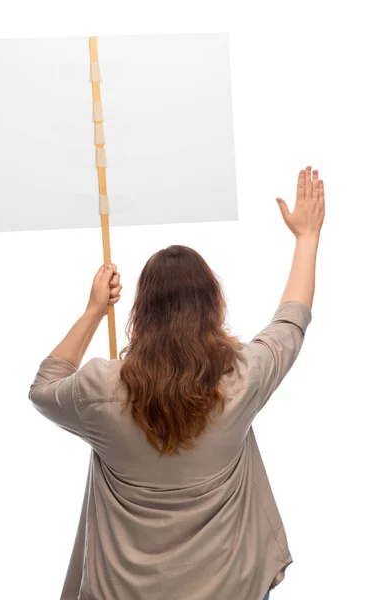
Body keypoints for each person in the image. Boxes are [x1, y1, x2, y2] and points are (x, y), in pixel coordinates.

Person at [29, 165, 325, 600]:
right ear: (212, 304)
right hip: (232, 588)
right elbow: (291, 321)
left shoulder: (99, 390)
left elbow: (45, 385)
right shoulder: (242, 379)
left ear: (141, 310)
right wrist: (307, 239)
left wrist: (93, 310)